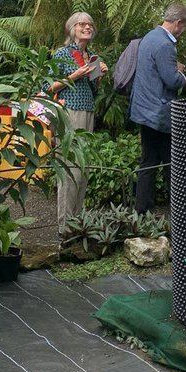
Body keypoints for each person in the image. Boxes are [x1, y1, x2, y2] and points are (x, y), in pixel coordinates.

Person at [47, 12, 108, 232]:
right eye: (83, 24)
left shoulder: (92, 56)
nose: (88, 27)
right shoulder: (63, 53)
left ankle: (77, 224)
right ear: (73, 28)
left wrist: (98, 76)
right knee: (69, 167)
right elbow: (48, 86)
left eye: (90, 24)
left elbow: (92, 90)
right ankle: (64, 227)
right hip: (69, 112)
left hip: (87, 112)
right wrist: (75, 75)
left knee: (83, 168)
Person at [129, 2, 186, 213]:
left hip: (144, 109)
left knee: (148, 162)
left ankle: (142, 211)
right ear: (178, 22)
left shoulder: (149, 37)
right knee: (170, 163)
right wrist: (181, 73)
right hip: (159, 113)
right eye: (185, 26)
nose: (184, 31)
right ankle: (180, 210)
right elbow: (172, 80)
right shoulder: (165, 44)